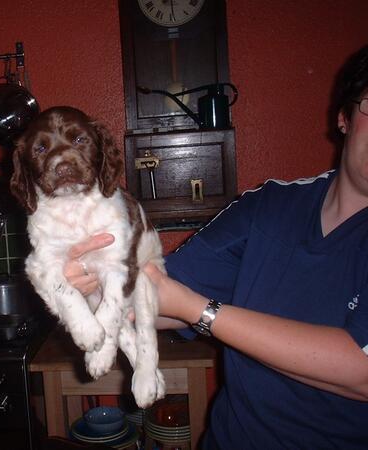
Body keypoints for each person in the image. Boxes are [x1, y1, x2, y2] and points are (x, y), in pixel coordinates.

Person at [63, 45, 368, 449]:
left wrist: (199, 310)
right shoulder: (269, 206)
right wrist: (92, 285)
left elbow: (361, 371)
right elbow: (160, 294)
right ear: (344, 117)